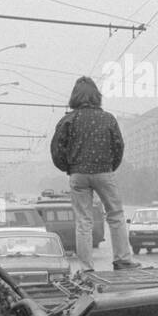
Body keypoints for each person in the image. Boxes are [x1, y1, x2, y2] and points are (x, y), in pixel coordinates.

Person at [49, 76, 138, 272]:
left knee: (83, 221)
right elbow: (118, 146)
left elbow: (56, 150)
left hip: (78, 174)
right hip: (104, 171)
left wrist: (69, 168)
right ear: (97, 96)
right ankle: (122, 259)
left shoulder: (68, 120)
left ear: (74, 97)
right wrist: (110, 166)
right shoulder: (107, 118)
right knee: (115, 214)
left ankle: (86, 267)